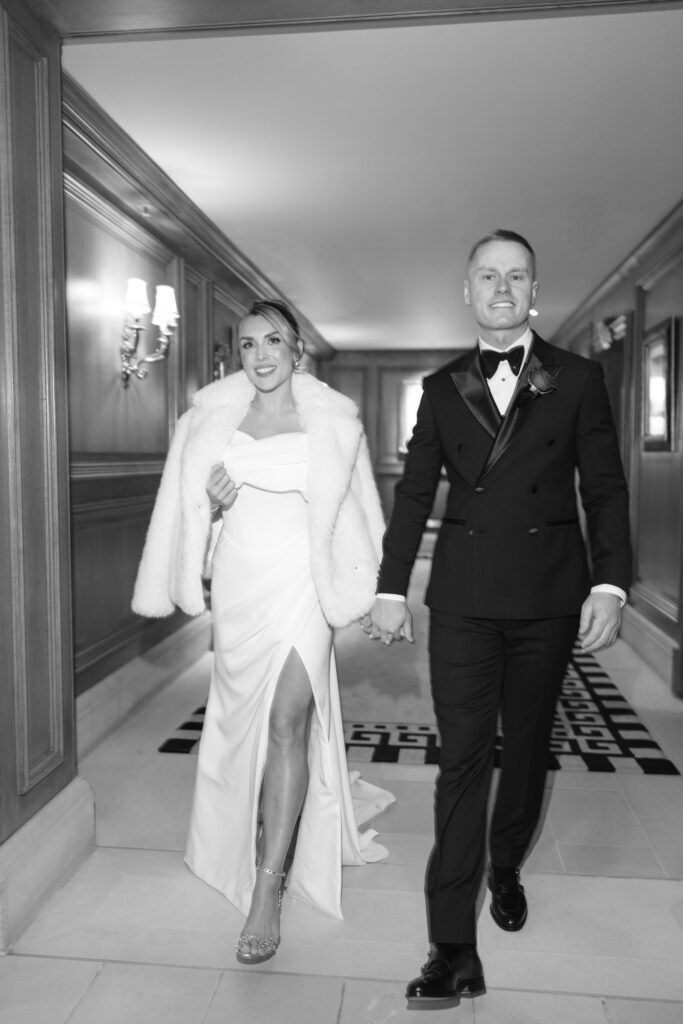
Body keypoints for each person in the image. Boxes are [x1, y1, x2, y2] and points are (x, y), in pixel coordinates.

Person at [363, 230, 632, 1010]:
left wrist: (610, 584)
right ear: (467, 290)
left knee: (526, 750)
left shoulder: (575, 378)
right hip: (461, 602)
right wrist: (389, 587)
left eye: (516, 276)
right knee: (461, 762)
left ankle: (506, 862)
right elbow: (415, 492)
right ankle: (451, 945)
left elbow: (605, 489)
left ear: (533, 288)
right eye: (488, 275)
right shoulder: (441, 387)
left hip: (549, 596)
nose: (502, 288)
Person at [132, 298, 394, 965]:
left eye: (272, 341)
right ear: (236, 354)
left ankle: (267, 890)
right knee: (236, 725)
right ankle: (230, 841)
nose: (261, 355)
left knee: (286, 723)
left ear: (296, 347)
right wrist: (212, 507)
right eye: (247, 345)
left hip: (303, 586)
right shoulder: (210, 420)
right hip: (242, 587)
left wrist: (374, 591)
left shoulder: (332, 420)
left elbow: (358, 509)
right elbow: (189, 517)